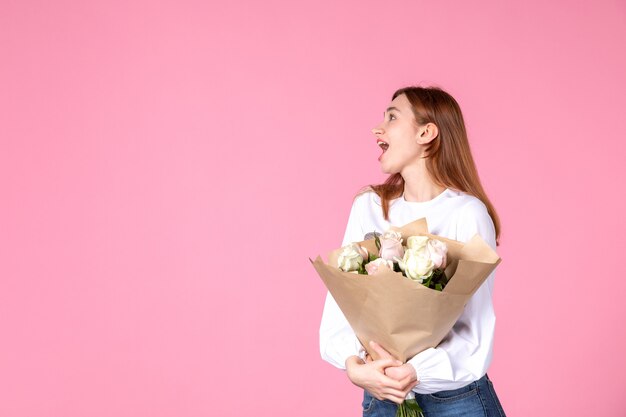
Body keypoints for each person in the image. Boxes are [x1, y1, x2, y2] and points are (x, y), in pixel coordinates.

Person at [319, 85, 507, 417]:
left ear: (426, 132)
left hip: (456, 402)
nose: (377, 128)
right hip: (382, 396)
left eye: (392, 117)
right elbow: (341, 304)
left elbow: (475, 330)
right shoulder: (371, 206)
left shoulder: (468, 213)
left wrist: (418, 372)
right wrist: (353, 366)